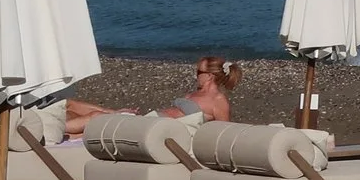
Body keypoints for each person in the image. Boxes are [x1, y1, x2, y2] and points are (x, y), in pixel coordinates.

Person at [64, 57, 242, 136]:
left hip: (152, 129)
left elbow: (223, 132)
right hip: (150, 121)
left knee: (96, 117)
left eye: (198, 71)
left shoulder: (218, 101)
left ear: (210, 76)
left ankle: (51, 131)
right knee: (71, 105)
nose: (196, 74)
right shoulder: (196, 93)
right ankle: (60, 128)